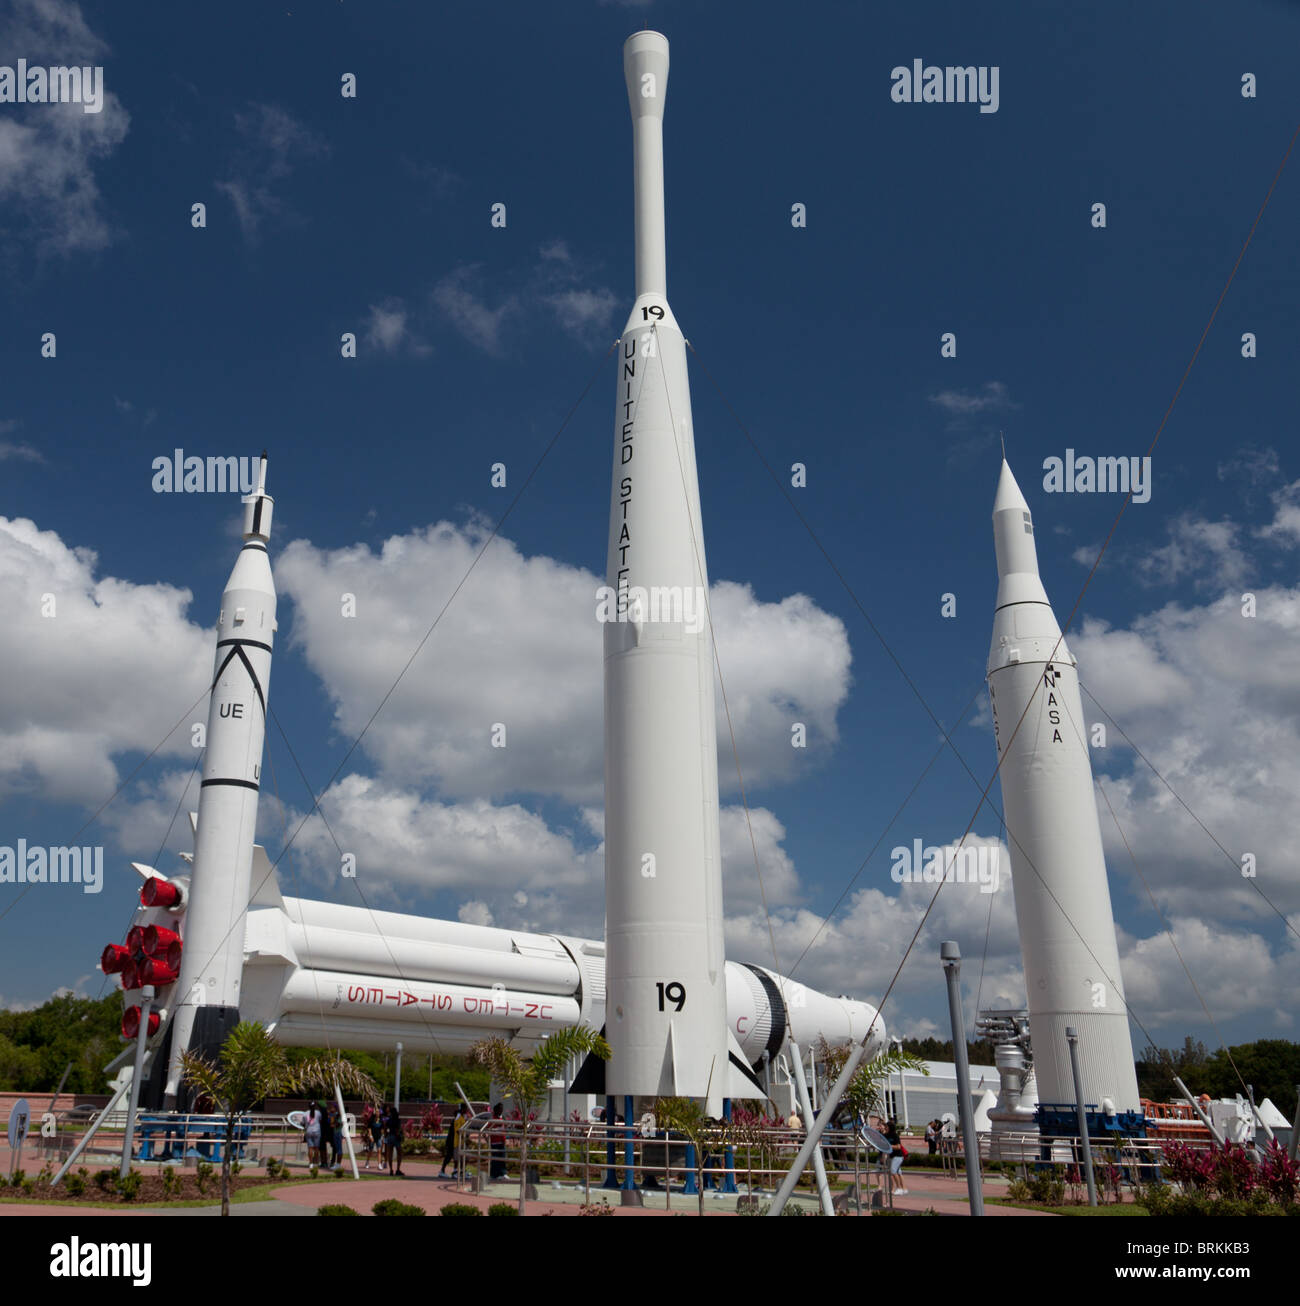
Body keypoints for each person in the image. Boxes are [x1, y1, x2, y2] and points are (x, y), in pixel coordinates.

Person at [884, 1117, 907, 1196]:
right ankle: (904, 1189)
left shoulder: (895, 1135)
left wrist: (889, 1146)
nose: (885, 1128)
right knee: (898, 1172)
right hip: (891, 1156)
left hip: (898, 1156)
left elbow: (898, 1147)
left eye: (886, 1127)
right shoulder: (886, 1135)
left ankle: (899, 1188)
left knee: (893, 1171)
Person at [489, 1103, 508, 1180]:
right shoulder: (492, 1119)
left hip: (501, 1141)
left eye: (502, 1109)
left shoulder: (501, 1118)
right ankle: (494, 1174)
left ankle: (502, 1173)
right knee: (495, 1159)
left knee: (502, 1158)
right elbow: (489, 1129)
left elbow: (503, 1130)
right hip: (495, 1142)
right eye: (500, 1109)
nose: (501, 1111)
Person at [385, 1103, 404, 1176]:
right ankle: (398, 1169)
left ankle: (391, 1170)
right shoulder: (398, 1120)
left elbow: (386, 1128)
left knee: (390, 1154)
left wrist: (386, 1135)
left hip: (390, 1136)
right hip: (396, 1137)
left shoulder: (389, 1120)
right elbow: (398, 1129)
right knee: (399, 1153)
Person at [304, 1101, 323, 1167]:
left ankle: (311, 1163)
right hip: (317, 1131)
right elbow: (320, 1120)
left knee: (310, 1148)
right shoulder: (318, 1113)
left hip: (308, 1131)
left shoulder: (305, 1113)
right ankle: (316, 1163)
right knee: (316, 1148)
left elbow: (303, 1122)